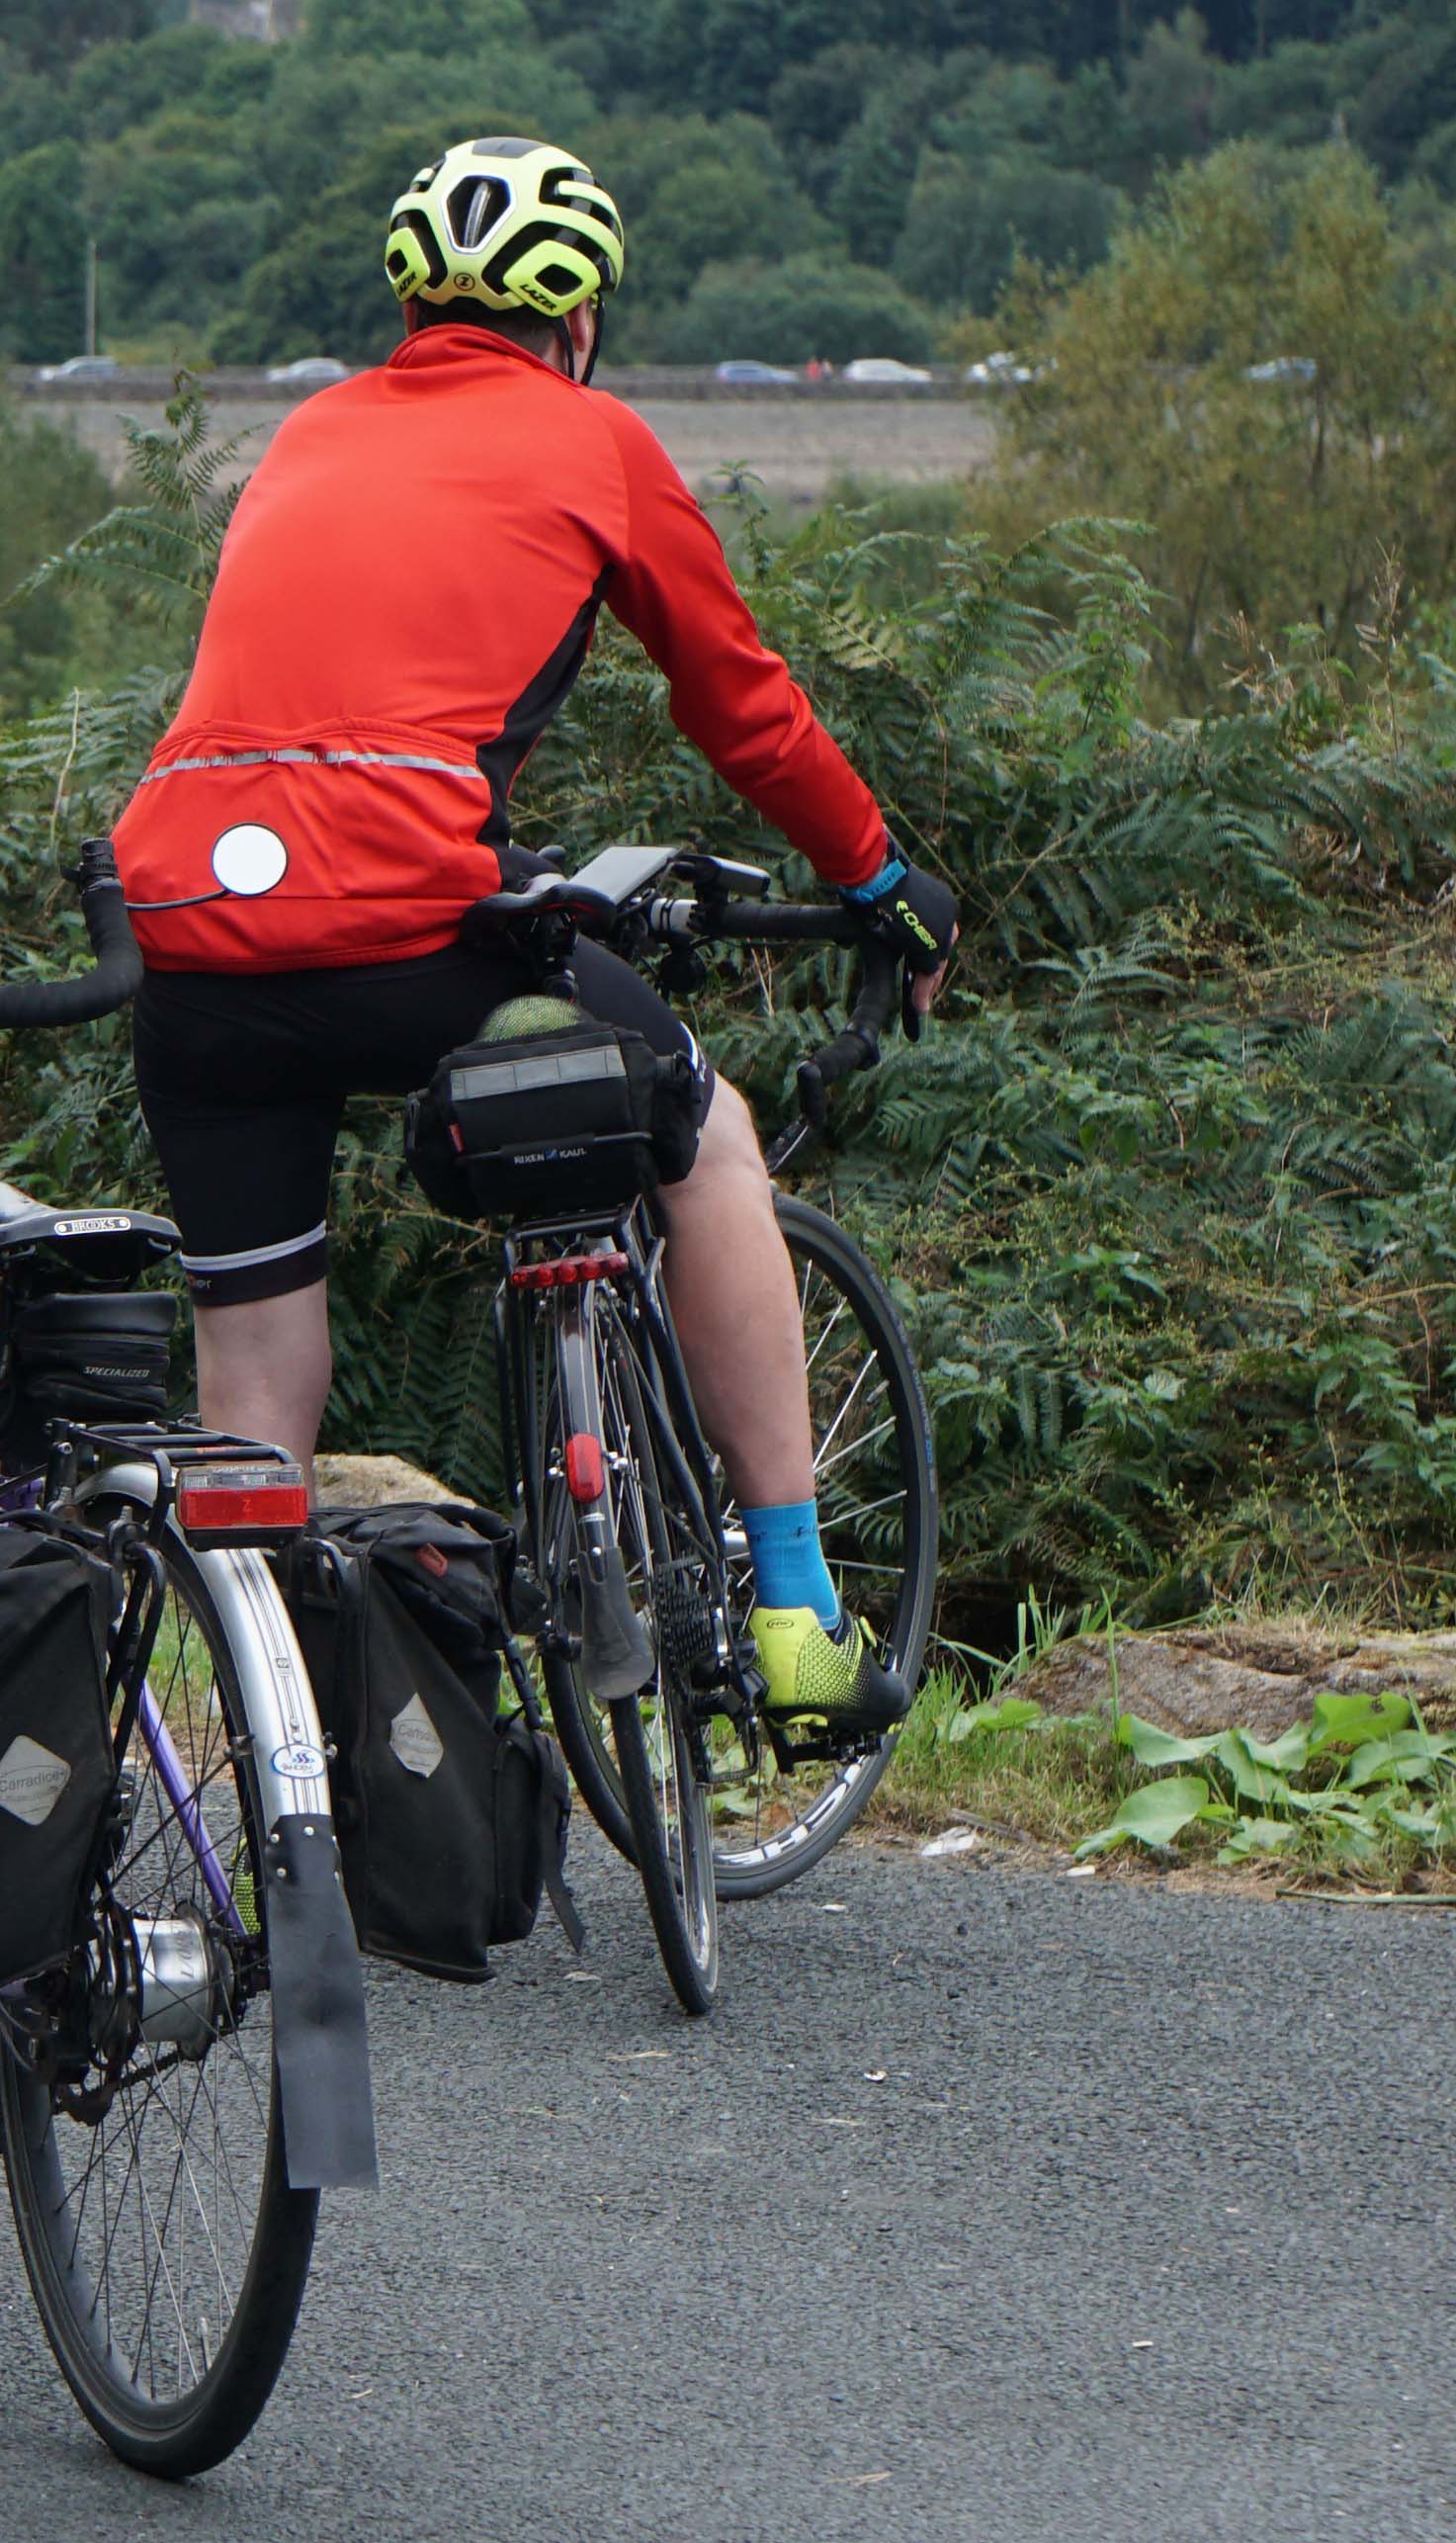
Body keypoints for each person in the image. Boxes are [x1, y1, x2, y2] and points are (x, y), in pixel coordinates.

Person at [110, 136, 956, 1715]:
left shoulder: (307, 429)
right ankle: (791, 1609)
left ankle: (287, 1747)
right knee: (705, 1134)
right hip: (415, 931)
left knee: (257, 1365)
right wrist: (877, 874)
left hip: (195, 943)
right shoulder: (591, 436)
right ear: (579, 323)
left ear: (413, 303)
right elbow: (746, 711)